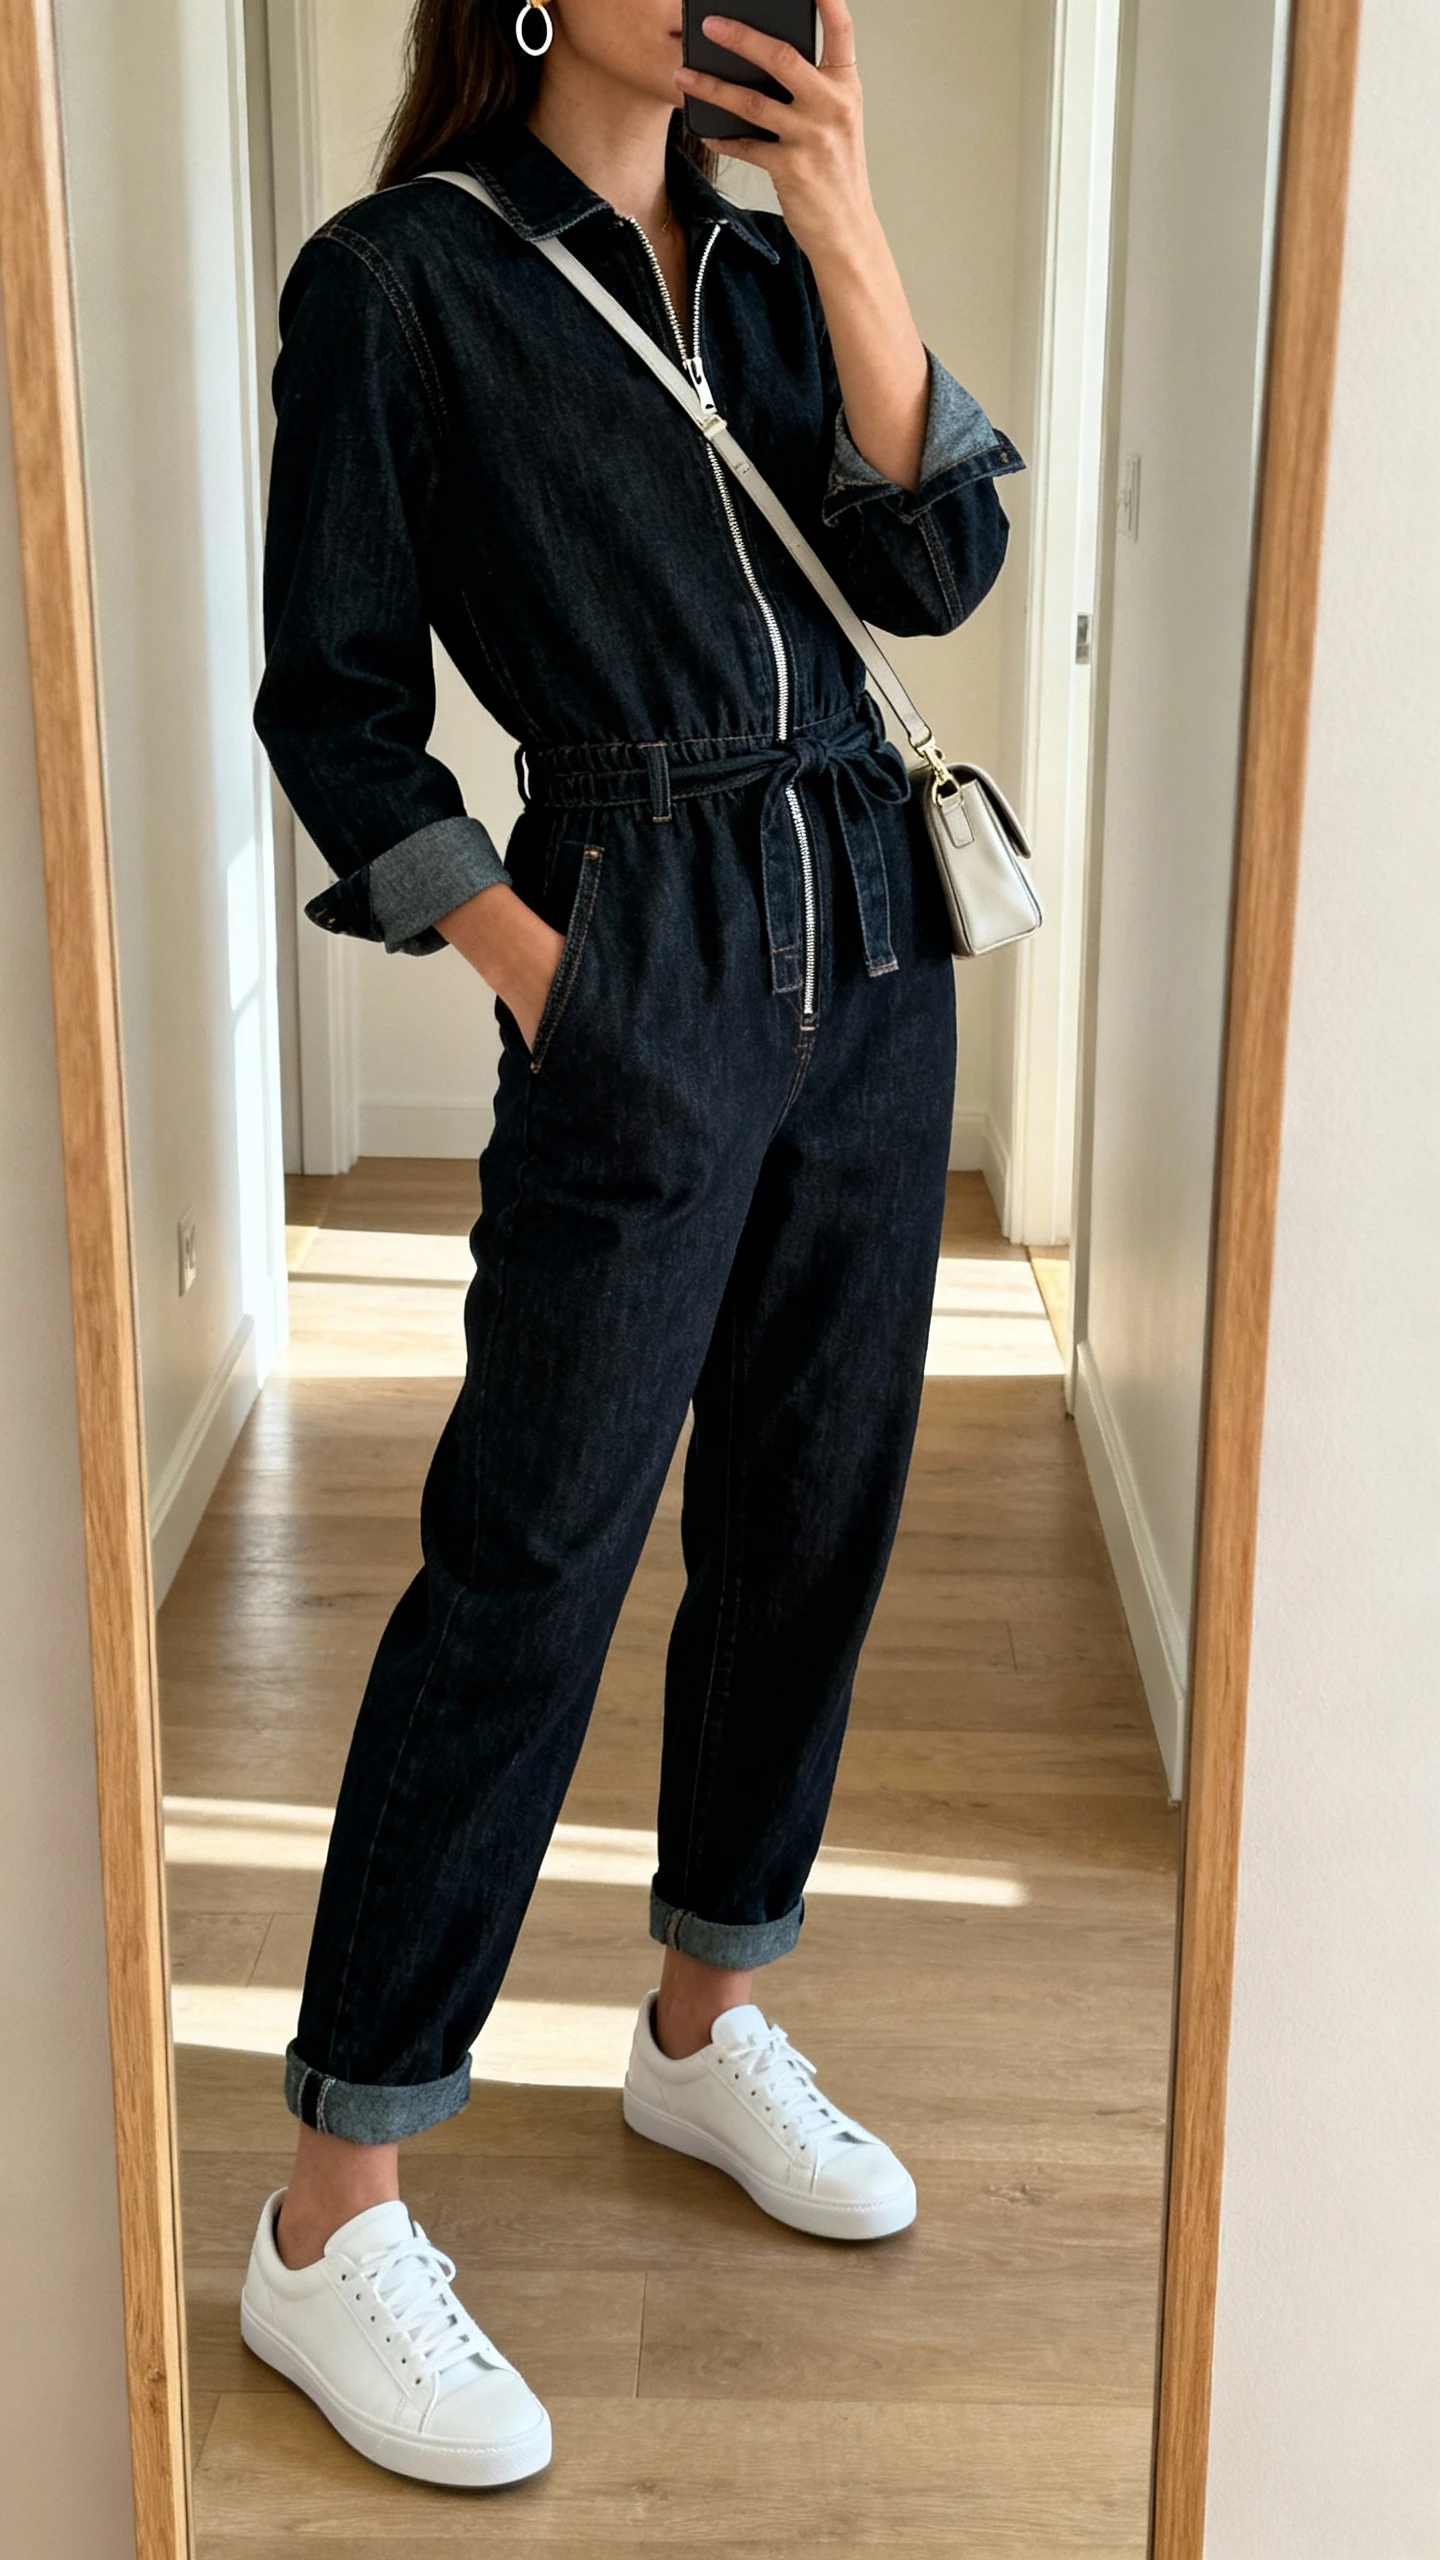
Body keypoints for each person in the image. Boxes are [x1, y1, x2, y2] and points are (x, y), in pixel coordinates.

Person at [239, 0, 1020, 2490]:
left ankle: (700, 2027)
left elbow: (941, 557)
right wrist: (557, 981)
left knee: (812, 1518)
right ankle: (328, 2198)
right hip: (645, 954)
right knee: (533, 1557)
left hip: (873, 954)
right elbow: (336, 706)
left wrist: (855, 205)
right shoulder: (400, 283)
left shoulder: (782, 279)